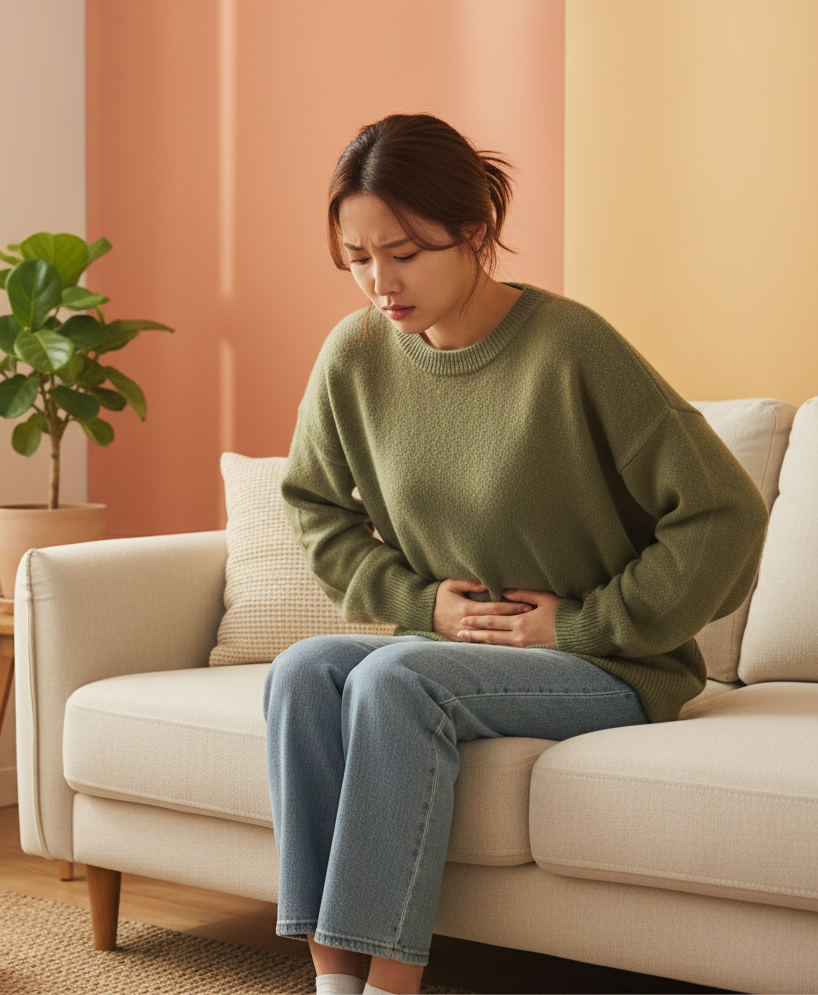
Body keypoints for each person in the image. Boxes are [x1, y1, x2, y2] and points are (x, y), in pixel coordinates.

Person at [261, 113, 769, 995]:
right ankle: (333, 984)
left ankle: (390, 988)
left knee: (395, 679)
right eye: (357, 257)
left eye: (405, 253)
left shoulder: (571, 348)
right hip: (454, 651)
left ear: (473, 231)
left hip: (607, 667)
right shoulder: (356, 356)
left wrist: (585, 624)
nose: (381, 282)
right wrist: (420, 604)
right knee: (302, 673)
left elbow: (724, 514)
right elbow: (313, 506)